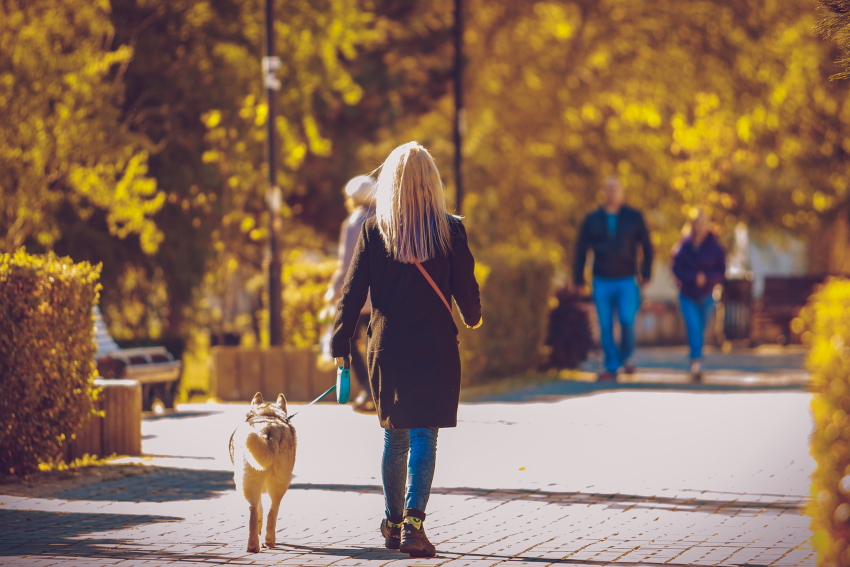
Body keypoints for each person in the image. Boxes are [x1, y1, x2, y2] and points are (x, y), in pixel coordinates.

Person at [331, 142, 482, 558]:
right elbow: (466, 287)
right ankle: (415, 525)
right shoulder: (450, 229)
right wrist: (473, 315)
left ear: (391, 183)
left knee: (395, 439)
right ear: (432, 182)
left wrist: (340, 340)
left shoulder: (374, 229)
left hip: (389, 347)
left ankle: (392, 523)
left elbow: (352, 291)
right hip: (434, 346)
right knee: (425, 437)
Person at [573, 176, 653, 381]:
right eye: (608, 189)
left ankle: (627, 357)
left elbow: (647, 246)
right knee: (605, 325)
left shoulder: (634, 217)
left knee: (627, 320)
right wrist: (579, 279)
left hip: (627, 279)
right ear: (603, 193)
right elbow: (581, 249)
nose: (612, 193)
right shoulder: (592, 219)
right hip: (601, 279)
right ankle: (611, 365)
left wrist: (646, 273)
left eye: (615, 189)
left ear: (621, 193)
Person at [325, 175, 376, 412]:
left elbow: (346, 265)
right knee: (376, 343)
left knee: (350, 342)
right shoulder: (385, 218)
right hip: (381, 296)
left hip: (359, 297)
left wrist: (333, 292)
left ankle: (367, 388)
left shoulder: (354, 222)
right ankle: (379, 390)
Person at [672, 211, 726, 382]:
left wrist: (707, 278)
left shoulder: (715, 246)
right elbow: (676, 269)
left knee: (701, 330)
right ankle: (696, 362)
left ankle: (696, 358)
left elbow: (721, 271)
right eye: (698, 222)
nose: (701, 226)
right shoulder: (684, 246)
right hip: (687, 294)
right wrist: (693, 277)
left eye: (704, 222)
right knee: (693, 326)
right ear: (693, 225)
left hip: (707, 294)